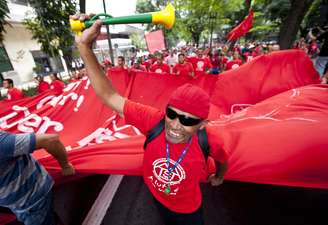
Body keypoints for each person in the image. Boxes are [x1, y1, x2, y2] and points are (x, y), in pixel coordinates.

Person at [72, 15, 228, 225]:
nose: (174, 125)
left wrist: (219, 177)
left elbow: (222, 159)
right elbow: (109, 96)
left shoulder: (211, 139)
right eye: (171, 114)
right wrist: (84, 47)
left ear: (202, 124)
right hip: (157, 198)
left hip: (188, 212)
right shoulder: (153, 120)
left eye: (187, 121)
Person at [0, 132, 75, 225]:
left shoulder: (3, 143)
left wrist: (65, 165)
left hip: (34, 203)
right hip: (18, 204)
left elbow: (50, 140)